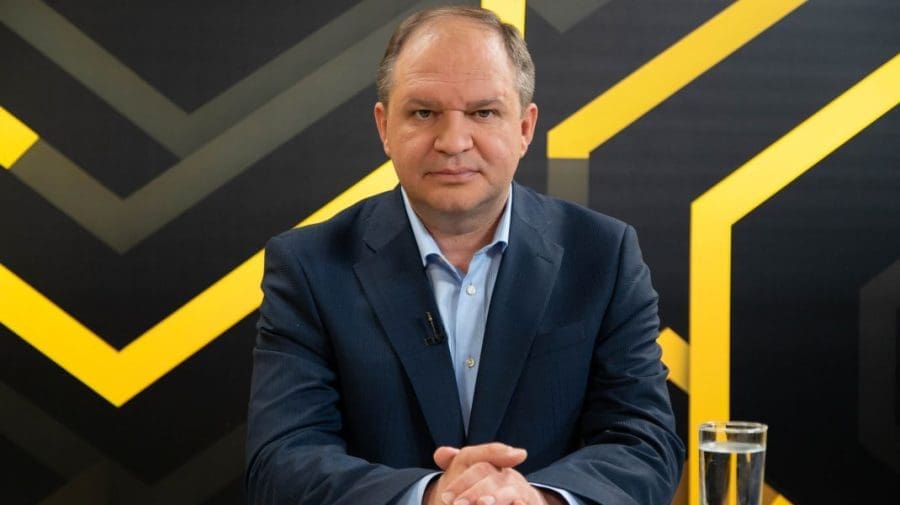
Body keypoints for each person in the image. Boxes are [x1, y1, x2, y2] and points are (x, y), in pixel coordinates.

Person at [245, 6, 684, 505]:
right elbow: (280, 460)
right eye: (423, 113)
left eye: (483, 113)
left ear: (525, 128)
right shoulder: (307, 266)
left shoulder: (604, 256)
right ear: (384, 127)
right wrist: (430, 496)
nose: (453, 142)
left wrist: (539, 500)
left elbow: (644, 444)